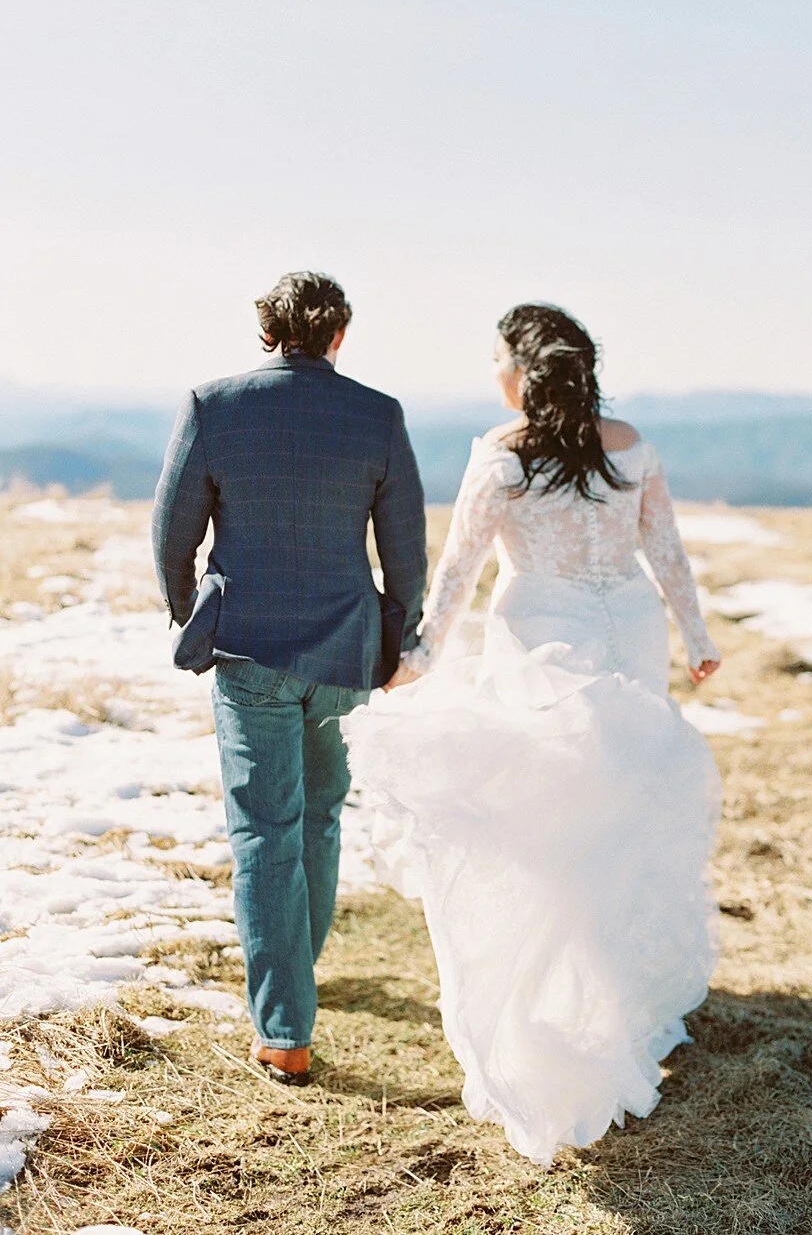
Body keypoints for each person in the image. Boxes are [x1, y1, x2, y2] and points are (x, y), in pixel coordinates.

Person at [345, 302, 722, 1165]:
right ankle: (612, 1001)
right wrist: (698, 640)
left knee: (545, 826)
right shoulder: (631, 445)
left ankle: (560, 1003)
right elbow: (667, 553)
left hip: (542, 639)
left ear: (519, 370)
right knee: (621, 816)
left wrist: (423, 652)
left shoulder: (502, 453)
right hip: (629, 635)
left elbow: (460, 566)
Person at [151, 271, 427, 1085]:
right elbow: (404, 551)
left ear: (265, 332)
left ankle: (284, 1031)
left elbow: (171, 536)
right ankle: (295, 982)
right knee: (319, 820)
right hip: (343, 654)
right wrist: (396, 643)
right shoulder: (378, 415)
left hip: (248, 651)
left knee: (264, 834)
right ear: (339, 336)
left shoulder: (212, 405)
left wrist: (190, 612)